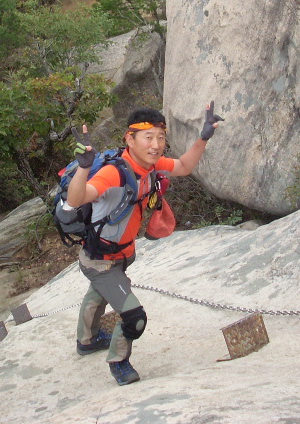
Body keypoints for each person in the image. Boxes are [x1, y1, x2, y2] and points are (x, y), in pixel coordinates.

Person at [66, 102, 223, 385]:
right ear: (130, 139)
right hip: (100, 261)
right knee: (134, 318)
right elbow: (77, 199)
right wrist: (83, 168)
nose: (156, 145)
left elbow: (184, 166)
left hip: (121, 254)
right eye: (148, 137)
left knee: (99, 294)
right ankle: (118, 362)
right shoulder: (114, 172)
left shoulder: (149, 165)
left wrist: (203, 137)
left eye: (160, 137)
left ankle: (86, 341)